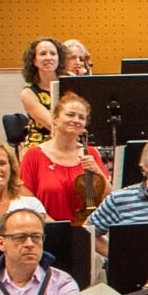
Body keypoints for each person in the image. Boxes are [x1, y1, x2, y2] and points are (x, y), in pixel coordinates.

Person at [18, 91, 107, 223]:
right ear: (55, 118)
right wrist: (56, 229)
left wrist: (97, 170)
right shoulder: (34, 155)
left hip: (85, 228)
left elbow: (108, 196)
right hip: (48, 229)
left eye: (81, 117)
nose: (76, 120)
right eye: (70, 114)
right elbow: (26, 199)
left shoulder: (91, 153)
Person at [17, 36, 64, 148]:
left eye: (53, 53)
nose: (49, 57)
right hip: (40, 142)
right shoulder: (28, 93)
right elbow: (52, 124)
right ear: (34, 61)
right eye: (43, 54)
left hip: (69, 138)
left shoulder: (70, 82)